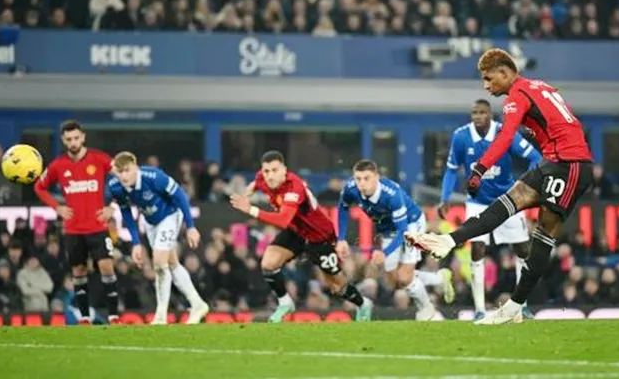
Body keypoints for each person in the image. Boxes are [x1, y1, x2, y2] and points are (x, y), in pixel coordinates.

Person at [406, 48, 594, 324]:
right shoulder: (538, 85)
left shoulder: (517, 95)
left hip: (570, 164)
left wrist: (479, 168)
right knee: (506, 202)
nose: (486, 86)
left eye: (489, 78)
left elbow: (506, 136)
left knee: (543, 234)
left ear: (505, 73)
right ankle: (449, 240)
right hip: (554, 160)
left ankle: (515, 306)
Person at [229, 151, 373, 323]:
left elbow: (282, 220)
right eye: (266, 171)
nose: (270, 175)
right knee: (268, 263)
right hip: (296, 231)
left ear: (284, 170)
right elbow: (255, 183)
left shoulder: (294, 187)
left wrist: (250, 209)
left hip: (319, 236)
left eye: (275, 170)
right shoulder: (263, 177)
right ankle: (285, 302)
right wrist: (246, 194)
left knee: (336, 285)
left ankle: (363, 304)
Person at [439, 99, 541, 321]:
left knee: (523, 250)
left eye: (482, 112)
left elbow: (535, 157)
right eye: (474, 112)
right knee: (477, 250)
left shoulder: (506, 133)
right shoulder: (461, 136)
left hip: (509, 200)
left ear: (490, 115)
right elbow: (450, 170)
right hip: (477, 201)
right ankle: (479, 310)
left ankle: (521, 304)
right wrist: (444, 198)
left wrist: (528, 183)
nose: (477, 116)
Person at [337, 159, 454, 321]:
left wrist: (385, 252)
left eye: (367, 178)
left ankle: (428, 312)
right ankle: (440, 278)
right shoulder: (351, 188)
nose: (361, 183)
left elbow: (402, 232)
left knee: (405, 277)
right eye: (358, 178)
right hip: (387, 230)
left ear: (377, 177)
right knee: (393, 281)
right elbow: (343, 207)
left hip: (411, 225)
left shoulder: (392, 195)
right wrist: (341, 238)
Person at [106, 151, 210, 325]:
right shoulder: (116, 186)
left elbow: (180, 196)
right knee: (171, 263)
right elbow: (126, 212)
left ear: (136, 167)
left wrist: (191, 226)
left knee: (159, 262)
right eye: (120, 171)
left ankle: (161, 315)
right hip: (150, 222)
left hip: (170, 215)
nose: (124, 176)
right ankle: (198, 304)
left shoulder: (154, 176)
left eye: (127, 170)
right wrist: (136, 243)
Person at [33, 120, 119, 324]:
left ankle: (114, 316)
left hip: (97, 226)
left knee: (106, 266)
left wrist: (112, 205)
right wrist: (58, 207)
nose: (73, 142)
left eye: (76, 138)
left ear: (83, 137)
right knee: (78, 272)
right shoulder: (58, 165)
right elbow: (39, 187)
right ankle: (85, 318)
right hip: (74, 229)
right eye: (69, 139)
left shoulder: (100, 159)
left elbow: (122, 177)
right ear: (63, 140)